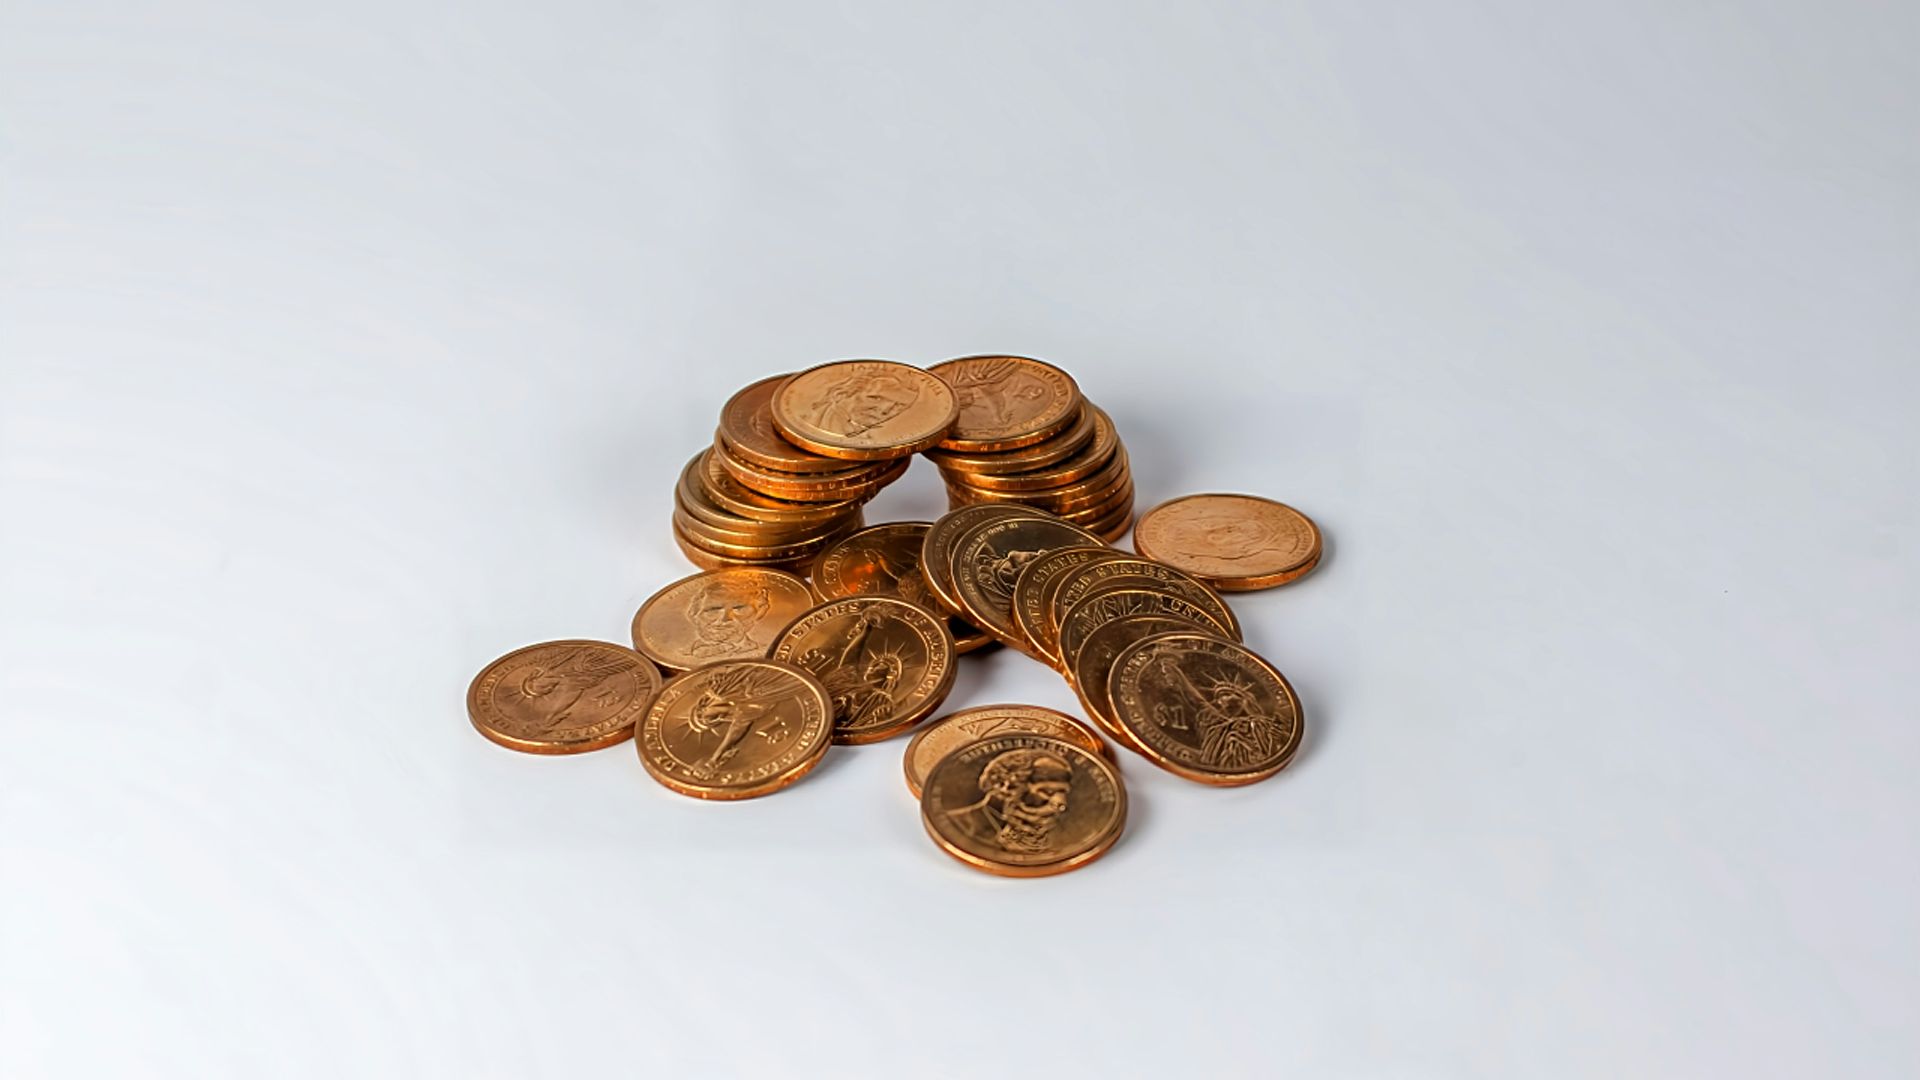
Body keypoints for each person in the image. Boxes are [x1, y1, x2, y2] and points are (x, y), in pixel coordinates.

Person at [944, 748, 1074, 854]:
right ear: (1006, 787)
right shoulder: (956, 823)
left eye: (1062, 793)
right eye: (1048, 792)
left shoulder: (1052, 833)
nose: (1062, 804)